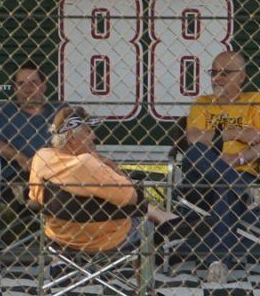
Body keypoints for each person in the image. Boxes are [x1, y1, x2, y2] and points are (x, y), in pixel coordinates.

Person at [178, 50, 260, 283]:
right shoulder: (203, 103)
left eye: (225, 73)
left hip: (240, 174)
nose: (217, 78)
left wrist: (239, 158)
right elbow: (193, 138)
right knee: (195, 152)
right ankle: (248, 192)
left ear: (242, 77)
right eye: (214, 72)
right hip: (200, 183)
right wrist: (232, 133)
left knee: (225, 188)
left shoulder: (255, 100)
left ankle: (218, 264)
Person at [29, 105, 176, 254]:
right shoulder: (88, 163)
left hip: (58, 237)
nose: (93, 136)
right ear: (71, 138)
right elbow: (131, 196)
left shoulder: (42, 157)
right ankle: (145, 276)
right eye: (88, 131)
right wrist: (102, 161)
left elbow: (34, 198)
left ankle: (64, 266)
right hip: (104, 239)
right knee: (145, 222)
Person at [0, 63, 54, 206]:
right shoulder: (5, 113)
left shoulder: (59, 111)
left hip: (57, 172)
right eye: (21, 84)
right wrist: (18, 156)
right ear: (15, 89)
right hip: (20, 175)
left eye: (33, 83)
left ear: (44, 85)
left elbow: (81, 138)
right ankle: (38, 201)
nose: (27, 89)